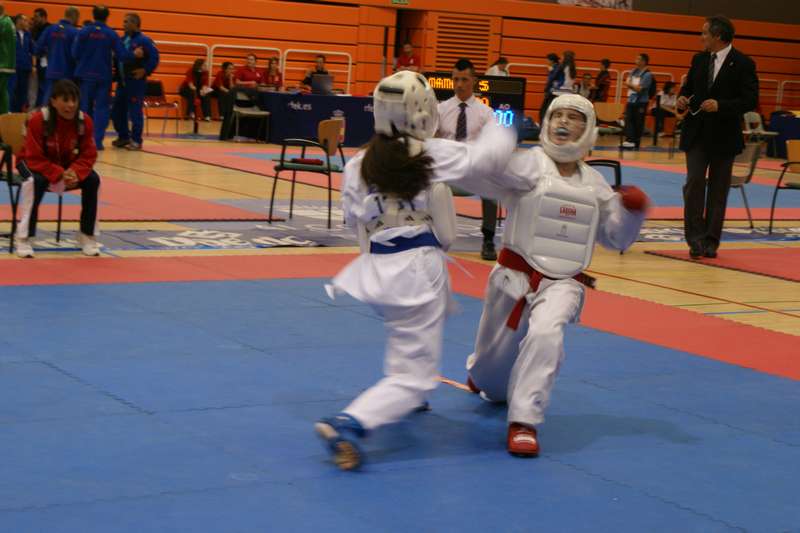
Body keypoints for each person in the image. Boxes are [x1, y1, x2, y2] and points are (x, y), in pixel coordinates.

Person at [314, 70, 517, 471]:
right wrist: (501, 121)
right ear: (422, 109)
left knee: (407, 328)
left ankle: (405, 383)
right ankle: (351, 422)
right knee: (415, 376)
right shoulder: (430, 151)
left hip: (372, 270)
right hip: (414, 272)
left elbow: (353, 220)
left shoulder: (357, 164)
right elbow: (488, 157)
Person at [458, 94, 649, 457]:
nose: (563, 123)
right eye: (556, 115)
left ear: (588, 129)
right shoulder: (528, 165)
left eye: (573, 117)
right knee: (492, 371)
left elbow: (616, 238)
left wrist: (632, 212)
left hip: (564, 281)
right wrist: (496, 136)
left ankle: (524, 421)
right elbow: (482, 173)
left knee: (547, 334)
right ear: (545, 123)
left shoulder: (595, 185)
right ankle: (484, 377)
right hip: (514, 275)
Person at [677, 15, 758, 259]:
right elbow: (688, 89)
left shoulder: (743, 63)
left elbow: (750, 100)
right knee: (694, 184)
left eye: (704, 33)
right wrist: (682, 98)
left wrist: (721, 105)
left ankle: (712, 240)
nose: (701, 38)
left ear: (718, 37)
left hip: (724, 136)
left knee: (718, 190)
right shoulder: (699, 59)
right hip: (697, 133)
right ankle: (695, 239)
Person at [14, 79, 100, 259]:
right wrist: (59, 173)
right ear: (53, 101)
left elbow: (89, 154)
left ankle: (86, 234)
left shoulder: (85, 122)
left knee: (93, 180)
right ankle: (23, 237)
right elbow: (33, 156)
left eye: (74, 100)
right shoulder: (39, 120)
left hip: (66, 166)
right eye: (65, 100)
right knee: (34, 181)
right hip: (29, 162)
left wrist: (75, 172)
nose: (70, 105)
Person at [436, 58, 499, 261]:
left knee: (491, 182)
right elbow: (430, 141)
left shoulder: (486, 113)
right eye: (455, 79)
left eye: (464, 79)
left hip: (473, 168)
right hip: (447, 167)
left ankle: (488, 239)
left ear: (474, 81)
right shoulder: (441, 109)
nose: (459, 84)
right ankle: (428, 234)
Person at [72, 5, 130, 151]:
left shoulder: (84, 31)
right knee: (102, 109)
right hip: (103, 76)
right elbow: (122, 55)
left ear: (93, 15)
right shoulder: (111, 34)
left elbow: (74, 52)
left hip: (85, 75)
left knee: (85, 108)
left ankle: (83, 141)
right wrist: (134, 54)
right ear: (107, 16)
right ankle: (97, 142)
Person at [110, 12, 159, 151]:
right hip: (122, 82)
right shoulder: (122, 39)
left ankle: (136, 140)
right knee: (116, 111)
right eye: (124, 21)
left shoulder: (144, 40)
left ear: (135, 24)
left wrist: (145, 70)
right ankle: (123, 136)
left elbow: (155, 58)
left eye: (126, 22)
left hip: (135, 82)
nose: (123, 24)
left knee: (134, 112)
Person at [34, 6, 79, 104]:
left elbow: (37, 48)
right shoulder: (75, 32)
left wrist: (47, 54)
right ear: (75, 16)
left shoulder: (50, 29)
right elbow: (77, 54)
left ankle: (45, 118)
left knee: (48, 98)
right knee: (65, 100)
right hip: (67, 72)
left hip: (51, 70)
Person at [622, 52, 653, 149]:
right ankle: (629, 140)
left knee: (638, 122)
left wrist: (629, 84)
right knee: (628, 120)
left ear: (644, 61)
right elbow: (626, 82)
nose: (636, 61)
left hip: (641, 102)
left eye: (638, 59)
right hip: (631, 100)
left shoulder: (647, 74)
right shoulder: (633, 71)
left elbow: (639, 89)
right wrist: (631, 85)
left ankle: (636, 142)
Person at [10, 14, 33, 112]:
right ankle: (10, 111)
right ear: (19, 21)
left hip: (25, 67)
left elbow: (32, 49)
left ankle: (20, 112)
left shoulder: (28, 34)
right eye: (25, 20)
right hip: (14, 66)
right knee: (13, 90)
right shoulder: (11, 33)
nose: (27, 22)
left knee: (23, 91)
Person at [30, 8, 50, 106]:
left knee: (44, 86)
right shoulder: (34, 30)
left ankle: (42, 106)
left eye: (37, 17)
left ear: (44, 17)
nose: (35, 19)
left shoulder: (50, 29)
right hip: (35, 62)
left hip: (46, 62)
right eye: (34, 17)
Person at [0, 6, 15, 114]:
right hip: (8, 62)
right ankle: (4, 114)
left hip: (2, 62)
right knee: (3, 91)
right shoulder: (8, 21)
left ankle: (3, 114)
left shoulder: (2, 23)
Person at [213, 61, 235, 135]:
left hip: (225, 92)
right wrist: (229, 92)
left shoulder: (231, 76)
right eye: (229, 68)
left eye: (232, 69)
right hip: (215, 90)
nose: (231, 70)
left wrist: (231, 79)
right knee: (222, 94)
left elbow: (232, 88)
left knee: (227, 95)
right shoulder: (220, 73)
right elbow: (220, 86)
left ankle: (227, 115)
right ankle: (222, 115)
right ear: (225, 69)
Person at [539, 53, 563, 123]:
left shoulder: (556, 68)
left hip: (553, 92)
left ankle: (544, 125)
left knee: (545, 111)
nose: (546, 61)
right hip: (554, 91)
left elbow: (551, 80)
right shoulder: (556, 67)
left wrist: (546, 89)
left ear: (552, 61)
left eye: (547, 60)